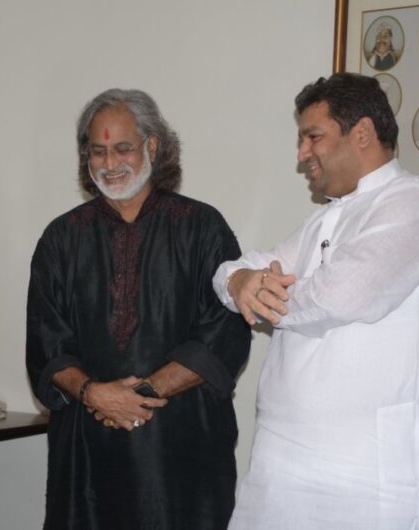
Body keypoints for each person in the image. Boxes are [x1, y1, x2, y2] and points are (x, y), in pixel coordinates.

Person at [213, 73, 419, 529]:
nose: (301, 155)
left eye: (312, 137)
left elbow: (346, 294)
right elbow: (234, 269)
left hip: (378, 480)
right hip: (285, 474)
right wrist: (238, 280)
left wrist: (259, 288)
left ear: (362, 134)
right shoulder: (324, 220)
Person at [26, 88, 251, 529]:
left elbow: (223, 332)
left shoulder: (203, 228)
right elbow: (45, 343)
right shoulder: (61, 239)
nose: (110, 164)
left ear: (152, 145)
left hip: (181, 450)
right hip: (88, 453)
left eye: (123, 148)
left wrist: (140, 395)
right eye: (98, 151)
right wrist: (96, 394)